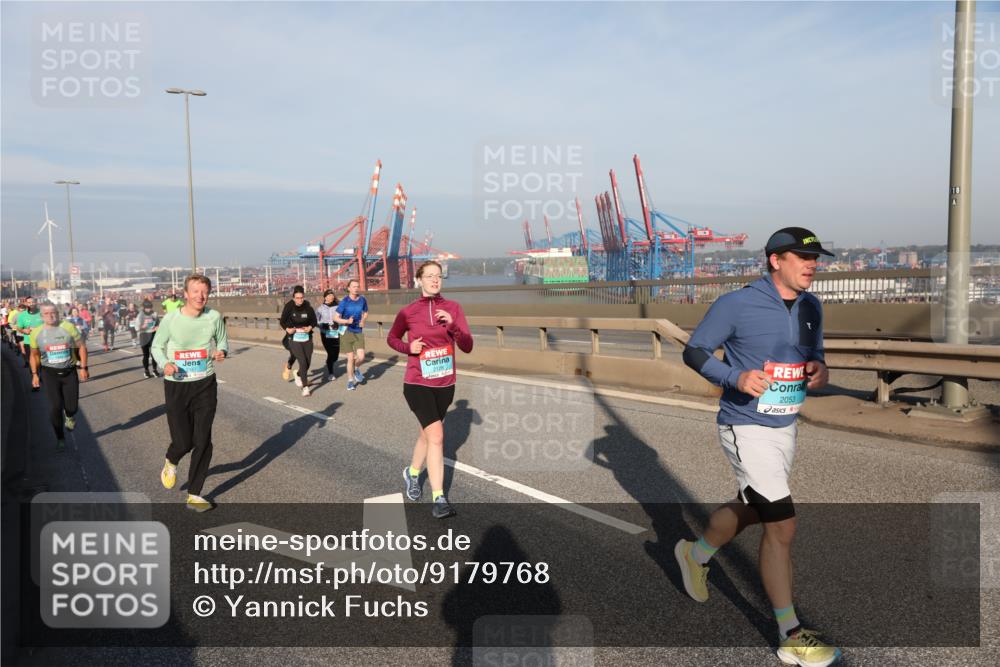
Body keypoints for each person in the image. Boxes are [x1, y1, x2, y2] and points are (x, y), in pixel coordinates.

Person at [676, 227, 840, 667]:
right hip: (743, 426)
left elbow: (815, 352)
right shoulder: (736, 304)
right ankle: (790, 633)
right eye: (803, 258)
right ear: (775, 260)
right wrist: (735, 377)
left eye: (816, 259)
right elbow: (694, 352)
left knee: (752, 505)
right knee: (782, 524)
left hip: (785, 425)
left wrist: (817, 368)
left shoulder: (811, 306)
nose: (812, 266)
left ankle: (694, 554)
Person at [386, 261, 473, 519]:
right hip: (417, 383)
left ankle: (412, 473)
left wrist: (453, 326)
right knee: (436, 436)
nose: (435, 280)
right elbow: (392, 338)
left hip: (445, 385)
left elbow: (467, 345)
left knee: (426, 435)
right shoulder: (408, 312)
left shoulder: (453, 309)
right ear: (419, 280)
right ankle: (439, 498)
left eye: (439, 276)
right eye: (430, 276)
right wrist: (408, 349)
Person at [151, 274, 229, 512]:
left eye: (204, 291)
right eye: (195, 291)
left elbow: (223, 342)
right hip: (177, 384)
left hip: (205, 383)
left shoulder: (214, 317)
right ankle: (172, 459)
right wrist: (165, 363)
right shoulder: (171, 319)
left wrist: (221, 352)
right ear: (185, 294)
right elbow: (157, 346)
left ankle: (195, 494)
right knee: (183, 442)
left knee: (203, 440)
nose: (200, 296)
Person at [29, 302, 89, 452]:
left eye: (53, 312)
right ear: (42, 316)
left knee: (72, 407)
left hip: (69, 372)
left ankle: (69, 416)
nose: (51, 316)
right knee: (55, 407)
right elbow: (34, 355)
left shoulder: (68, 327)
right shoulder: (36, 333)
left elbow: (81, 346)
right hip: (49, 374)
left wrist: (83, 367)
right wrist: (35, 374)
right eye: (47, 313)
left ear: (57, 312)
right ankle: (60, 438)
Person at [279, 285, 317, 397]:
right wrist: (288, 329)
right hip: (294, 338)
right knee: (302, 361)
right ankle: (305, 387)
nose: (299, 300)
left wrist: (310, 327)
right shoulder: (289, 306)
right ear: (293, 297)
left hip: (307, 337)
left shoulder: (308, 307)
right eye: (297, 298)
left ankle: (298, 374)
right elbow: (282, 321)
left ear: (304, 297)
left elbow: (314, 321)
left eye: (301, 297)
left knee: (308, 362)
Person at [334, 279, 369, 391]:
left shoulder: (362, 300)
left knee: (361, 356)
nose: (356, 288)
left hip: (358, 330)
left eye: (357, 286)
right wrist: (346, 321)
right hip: (346, 331)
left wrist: (363, 320)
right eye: (353, 286)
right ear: (348, 288)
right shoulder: (344, 301)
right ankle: (350, 381)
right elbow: (335, 318)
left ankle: (356, 368)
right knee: (350, 358)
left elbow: (366, 312)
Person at [315, 289, 341, 381]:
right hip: (325, 334)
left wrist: (338, 323)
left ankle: (329, 362)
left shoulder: (339, 307)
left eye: (332, 295)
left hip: (336, 333)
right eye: (329, 295)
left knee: (336, 355)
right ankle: (331, 373)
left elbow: (343, 318)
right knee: (330, 353)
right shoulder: (320, 309)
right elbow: (315, 321)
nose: (331, 297)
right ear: (325, 297)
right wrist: (322, 325)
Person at [16, 296, 43, 369]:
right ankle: (35, 374)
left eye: (33, 302)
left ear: (36, 302)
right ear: (26, 304)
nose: (31, 304)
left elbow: (49, 325)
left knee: (42, 362)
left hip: (42, 342)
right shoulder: (22, 315)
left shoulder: (42, 313)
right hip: (29, 343)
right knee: (32, 362)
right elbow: (19, 328)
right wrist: (23, 330)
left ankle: (41, 376)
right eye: (29, 302)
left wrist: (38, 329)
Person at [135, 299, 160, 378]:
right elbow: (136, 328)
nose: (149, 309)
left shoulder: (154, 314)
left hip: (152, 334)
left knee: (154, 354)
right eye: (147, 308)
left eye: (150, 307)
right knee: (146, 355)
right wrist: (144, 327)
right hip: (144, 335)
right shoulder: (140, 315)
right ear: (144, 308)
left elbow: (158, 324)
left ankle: (155, 370)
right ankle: (146, 371)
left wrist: (157, 327)